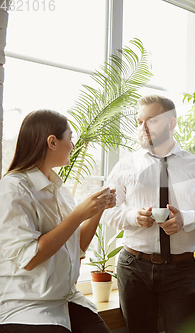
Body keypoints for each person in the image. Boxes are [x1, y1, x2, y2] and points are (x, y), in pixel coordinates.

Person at [100, 95, 195, 333]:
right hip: (133, 268)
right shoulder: (125, 166)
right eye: (139, 122)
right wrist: (132, 217)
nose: (143, 128)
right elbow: (106, 212)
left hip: (179, 270)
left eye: (151, 121)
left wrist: (184, 219)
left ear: (171, 123)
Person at [0, 110, 116, 333]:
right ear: (52, 142)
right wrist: (78, 215)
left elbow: (77, 246)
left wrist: (98, 210)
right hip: (27, 306)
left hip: (66, 300)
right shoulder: (13, 189)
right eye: (70, 138)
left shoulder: (59, 190)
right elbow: (30, 258)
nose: (73, 145)